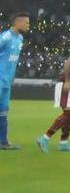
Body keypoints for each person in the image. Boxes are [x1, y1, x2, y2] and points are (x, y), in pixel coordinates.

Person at [0, 12, 30, 150]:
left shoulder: (20, 38)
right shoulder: (5, 37)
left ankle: (3, 142)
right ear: (17, 23)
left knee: (3, 112)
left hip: (7, 81)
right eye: (26, 22)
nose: (28, 25)